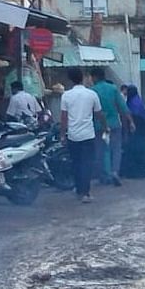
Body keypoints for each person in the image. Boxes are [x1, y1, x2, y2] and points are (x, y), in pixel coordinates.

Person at [61, 67, 105, 203]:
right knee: (87, 164)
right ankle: (85, 192)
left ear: (70, 79)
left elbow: (64, 117)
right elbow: (99, 114)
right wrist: (105, 126)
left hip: (73, 135)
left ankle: (80, 189)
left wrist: (63, 134)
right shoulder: (91, 94)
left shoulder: (66, 95)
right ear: (83, 78)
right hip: (88, 135)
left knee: (76, 163)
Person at [88, 67, 132, 186]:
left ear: (95, 77)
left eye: (91, 77)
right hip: (114, 124)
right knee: (116, 149)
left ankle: (105, 174)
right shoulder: (113, 89)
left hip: (99, 126)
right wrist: (131, 122)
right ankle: (114, 172)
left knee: (102, 150)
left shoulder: (92, 91)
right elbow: (123, 107)